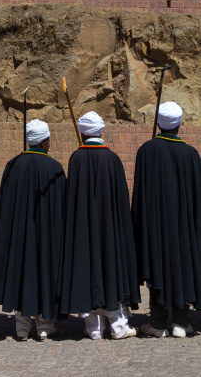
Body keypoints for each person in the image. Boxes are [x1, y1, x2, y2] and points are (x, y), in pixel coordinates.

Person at [132, 101, 201, 338]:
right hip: (184, 225)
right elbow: (199, 197)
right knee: (183, 266)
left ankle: (158, 323)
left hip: (156, 225)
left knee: (157, 267)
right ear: (179, 124)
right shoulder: (190, 154)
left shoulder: (146, 150)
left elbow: (140, 194)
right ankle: (181, 322)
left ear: (159, 124)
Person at [59, 112, 139, 340]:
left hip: (84, 227)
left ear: (83, 134)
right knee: (111, 267)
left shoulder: (76, 158)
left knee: (88, 266)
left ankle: (93, 328)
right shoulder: (112, 159)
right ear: (101, 132)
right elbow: (121, 198)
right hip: (110, 227)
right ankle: (118, 326)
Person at [0, 119, 66, 341]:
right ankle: (44, 325)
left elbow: (6, 204)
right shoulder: (55, 168)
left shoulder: (13, 165)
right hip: (48, 234)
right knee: (45, 273)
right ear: (44, 141)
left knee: (22, 273)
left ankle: (21, 326)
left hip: (19, 233)